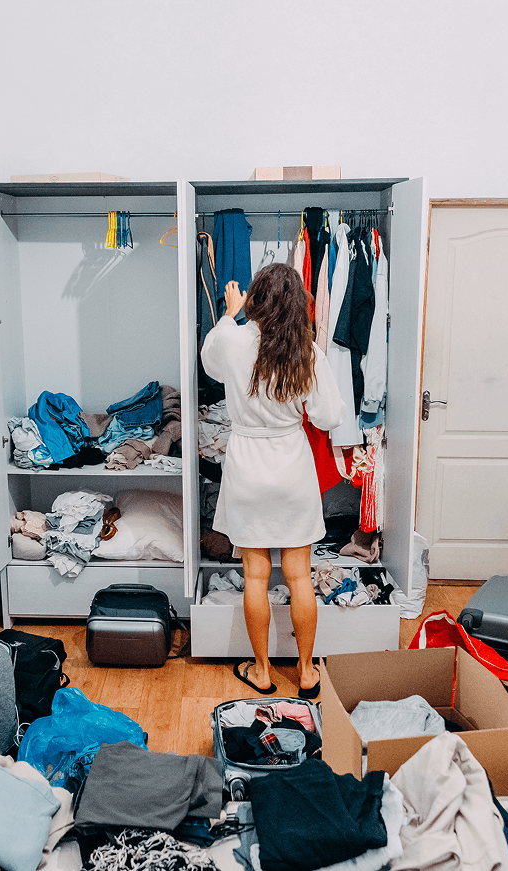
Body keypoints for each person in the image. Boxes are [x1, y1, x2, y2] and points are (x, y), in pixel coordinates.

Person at [201, 263, 344, 698]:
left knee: (256, 575)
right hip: (291, 466)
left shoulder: (231, 339)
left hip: (247, 466)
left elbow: (209, 364)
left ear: (256, 300)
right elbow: (329, 416)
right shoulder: (308, 353)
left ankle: (262, 670)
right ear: (299, 304)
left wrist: (229, 313)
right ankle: (304, 671)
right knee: (300, 576)